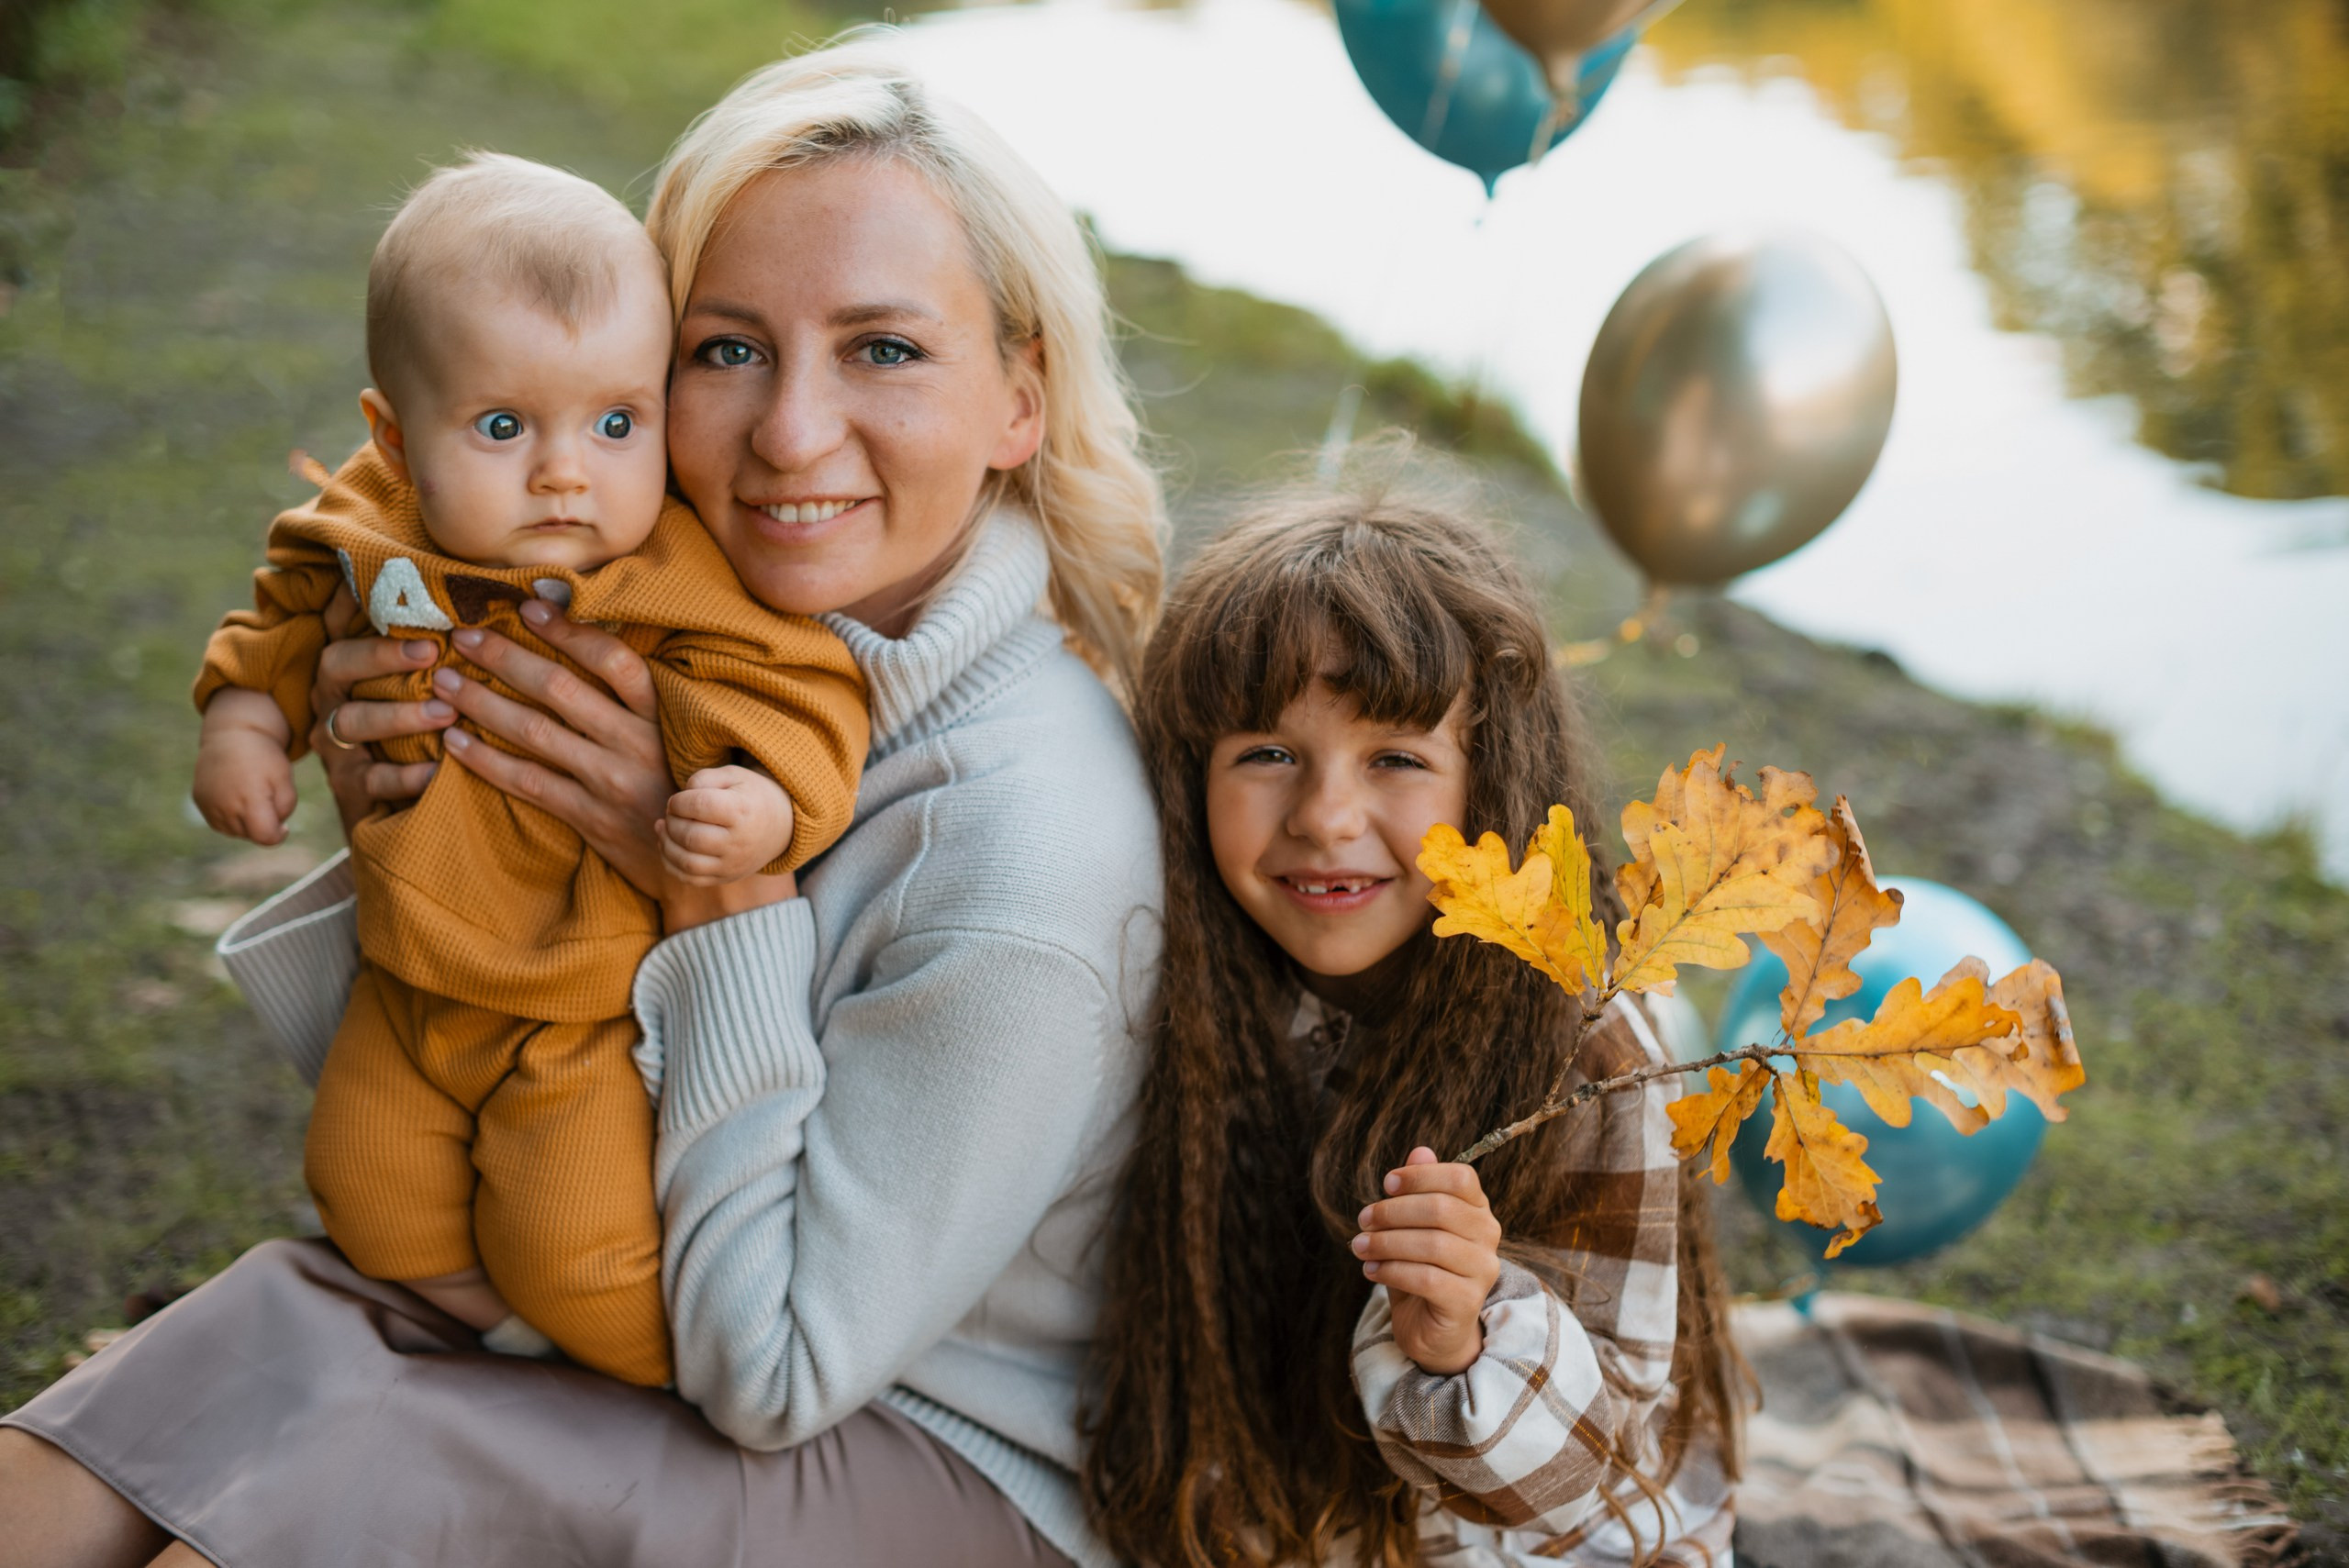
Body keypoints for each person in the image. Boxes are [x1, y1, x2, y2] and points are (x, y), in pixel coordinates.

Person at [1, 38, 1162, 1568]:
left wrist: (717, 898)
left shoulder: (1028, 853)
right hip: (615, 1304)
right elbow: (494, 1074)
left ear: (1020, 399)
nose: (790, 431)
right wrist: (423, 801)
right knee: (239, 1346)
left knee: (345, 1460)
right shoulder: (663, 615)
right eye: (726, 349)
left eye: (883, 349)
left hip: (938, 1459)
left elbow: (780, 1371)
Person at [190, 150, 870, 1386]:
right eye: (503, 427)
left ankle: (610, 1383)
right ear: (394, 437)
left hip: (583, 1001)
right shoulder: (370, 523)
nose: (566, 471)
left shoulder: (667, 570)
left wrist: (763, 804)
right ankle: (498, 1344)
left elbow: (799, 689)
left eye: (617, 423)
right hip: (407, 973)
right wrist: (243, 719)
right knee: (366, 1192)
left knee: (578, 1253)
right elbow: (283, 606)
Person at [1082, 485, 1747, 1566]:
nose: (1324, 817)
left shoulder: (1587, 1046)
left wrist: (1463, 1333)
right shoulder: (1194, 974)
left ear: (1490, 785)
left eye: (1394, 758)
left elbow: (1585, 1469)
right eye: (1266, 752)